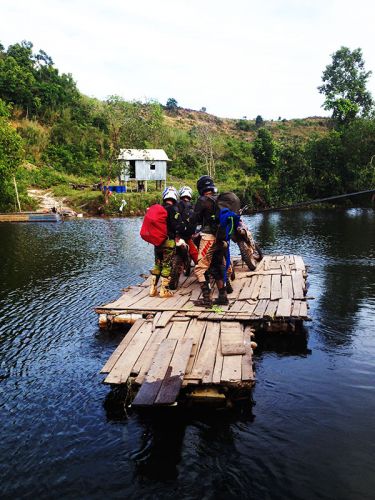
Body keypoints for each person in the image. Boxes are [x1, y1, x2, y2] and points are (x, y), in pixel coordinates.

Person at [191, 175, 228, 307]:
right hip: (220, 238)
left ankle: (207, 300)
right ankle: (223, 296)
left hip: (208, 238)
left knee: (200, 269)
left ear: (201, 188)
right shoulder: (219, 199)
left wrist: (189, 232)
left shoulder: (203, 200)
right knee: (216, 266)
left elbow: (194, 219)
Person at [149, 186, 179, 298]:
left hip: (157, 242)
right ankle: (163, 291)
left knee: (157, 264)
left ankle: (152, 290)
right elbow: (176, 226)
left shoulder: (159, 208)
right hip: (168, 242)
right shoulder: (174, 210)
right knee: (167, 265)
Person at [176, 186, 199, 265]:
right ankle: (202, 269)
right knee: (194, 251)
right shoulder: (193, 206)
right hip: (189, 234)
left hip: (178, 234)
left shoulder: (177, 205)